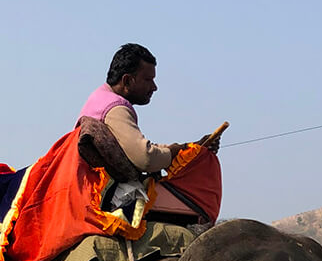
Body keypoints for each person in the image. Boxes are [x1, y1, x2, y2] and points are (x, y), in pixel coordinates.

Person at [78, 43, 220, 224]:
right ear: (128, 80)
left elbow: (138, 148)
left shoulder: (100, 98)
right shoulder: (115, 108)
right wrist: (175, 152)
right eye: (148, 80)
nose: (154, 87)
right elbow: (145, 158)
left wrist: (188, 148)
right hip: (107, 198)